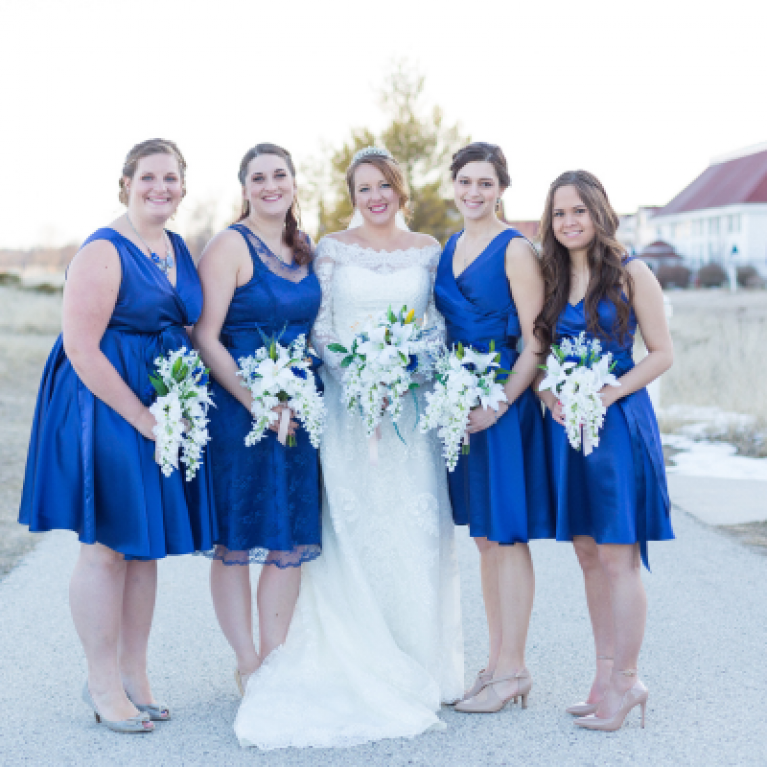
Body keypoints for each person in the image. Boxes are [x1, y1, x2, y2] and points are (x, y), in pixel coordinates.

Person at [233, 146, 463, 750]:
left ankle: (421, 662)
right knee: (352, 530)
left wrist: (403, 374)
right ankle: (348, 653)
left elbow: (437, 327)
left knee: (413, 530)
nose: (375, 197)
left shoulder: (429, 252)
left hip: (410, 417)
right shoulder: (331, 249)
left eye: (383, 186)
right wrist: (362, 375)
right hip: (344, 409)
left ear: (399, 190)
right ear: (351, 195)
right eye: (363, 189)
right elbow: (323, 328)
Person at [18, 138, 217, 733]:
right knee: (106, 546)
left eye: (172, 178)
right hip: (105, 404)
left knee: (142, 543)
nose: (161, 187)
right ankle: (102, 685)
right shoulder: (103, 251)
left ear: (183, 187)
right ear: (126, 182)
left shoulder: (178, 246)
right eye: (149, 176)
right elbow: (80, 348)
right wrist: (141, 417)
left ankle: (135, 677)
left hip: (160, 400)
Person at [535, 170, 674, 731]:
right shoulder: (550, 276)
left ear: (598, 212)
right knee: (588, 555)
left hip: (618, 425)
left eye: (578, 211)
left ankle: (628, 680)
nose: (569, 222)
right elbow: (540, 352)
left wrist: (612, 389)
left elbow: (661, 353)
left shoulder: (632, 272)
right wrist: (548, 393)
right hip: (571, 428)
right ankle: (602, 676)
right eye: (559, 213)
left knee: (619, 558)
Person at [192, 143, 322, 696]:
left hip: (300, 409)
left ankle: (275, 661)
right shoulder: (229, 246)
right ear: (244, 187)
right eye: (259, 177)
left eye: (281, 175)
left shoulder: (304, 246)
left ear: (294, 182)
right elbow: (204, 335)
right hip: (239, 412)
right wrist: (256, 402)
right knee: (238, 540)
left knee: (289, 536)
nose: (271, 185)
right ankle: (247, 663)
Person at [433, 142, 555, 714]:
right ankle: (495, 660)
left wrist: (500, 404)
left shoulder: (515, 250)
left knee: (507, 535)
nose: (474, 192)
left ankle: (515, 669)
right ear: (453, 184)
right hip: (464, 402)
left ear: (501, 188)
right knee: (483, 538)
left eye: (485, 183)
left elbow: (536, 340)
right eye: (465, 182)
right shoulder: (449, 247)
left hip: (502, 405)